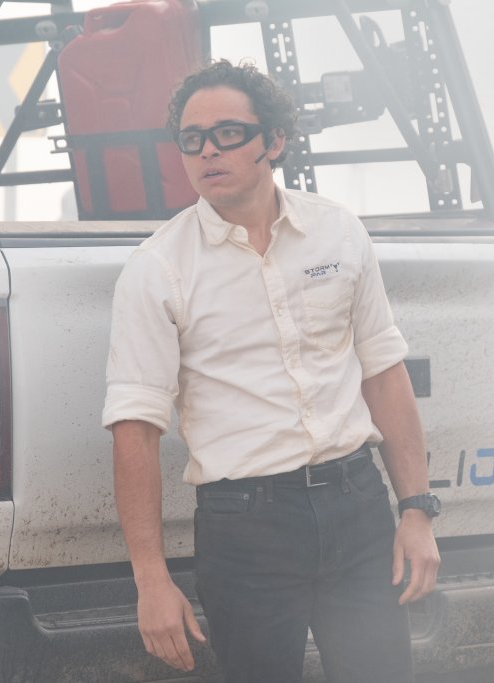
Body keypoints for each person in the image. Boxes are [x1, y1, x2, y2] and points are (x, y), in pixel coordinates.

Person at [103, 59, 440, 683]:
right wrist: (151, 580)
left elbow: (383, 372)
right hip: (246, 528)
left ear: (274, 140)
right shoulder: (158, 269)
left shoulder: (338, 233)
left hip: (357, 507)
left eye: (228, 133)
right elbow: (135, 429)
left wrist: (416, 511)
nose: (208, 151)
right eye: (192, 139)